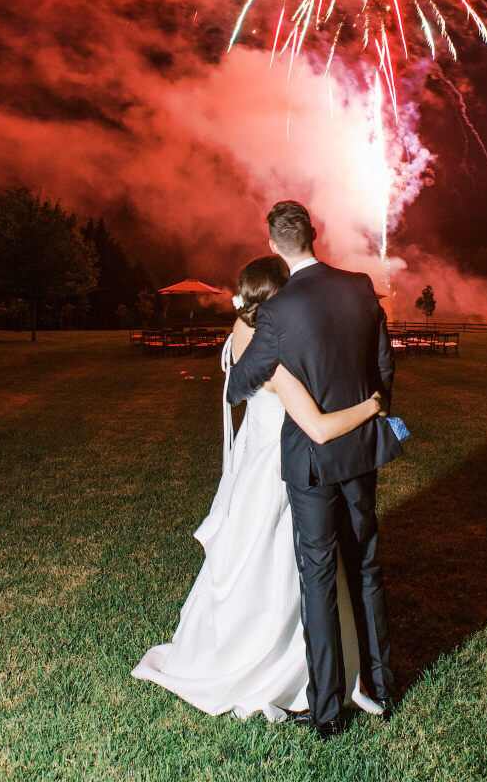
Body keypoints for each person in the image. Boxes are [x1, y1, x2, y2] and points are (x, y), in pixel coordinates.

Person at [131, 254, 386, 723]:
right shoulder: (275, 364)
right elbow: (319, 427)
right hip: (283, 467)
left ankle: (327, 669)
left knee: (272, 565)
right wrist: (372, 406)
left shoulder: (240, 334)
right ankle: (285, 670)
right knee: (295, 570)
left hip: (256, 464)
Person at [228, 200, 403, 740]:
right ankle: (381, 684)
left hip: (309, 463)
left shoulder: (279, 309)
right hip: (360, 452)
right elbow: (383, 365)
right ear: (314, 235)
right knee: (366, 568)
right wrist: (373, 412)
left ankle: (327, 709)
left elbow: (240, 383)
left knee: (318, 578)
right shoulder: (360, 286)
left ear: (275, 244)